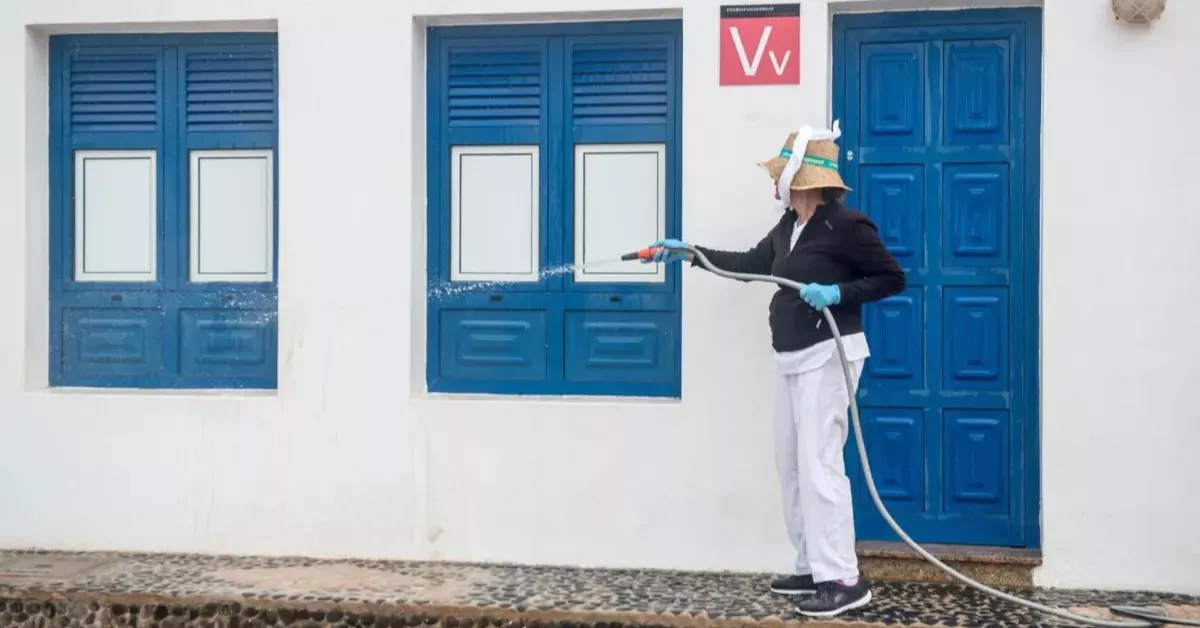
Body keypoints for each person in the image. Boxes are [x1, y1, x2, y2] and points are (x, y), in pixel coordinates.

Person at [645, 123, 906, 619]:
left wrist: (838, 294)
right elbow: (748, 263)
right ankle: (812, 565)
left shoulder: (848, 225)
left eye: (779, 175)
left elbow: (892, 278)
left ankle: (845, 578)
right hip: (790, 355)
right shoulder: (789, 225)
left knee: (819, 464)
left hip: (830, 354)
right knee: (790, 464)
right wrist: (692, 254)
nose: (773, 183)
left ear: (801, 178)